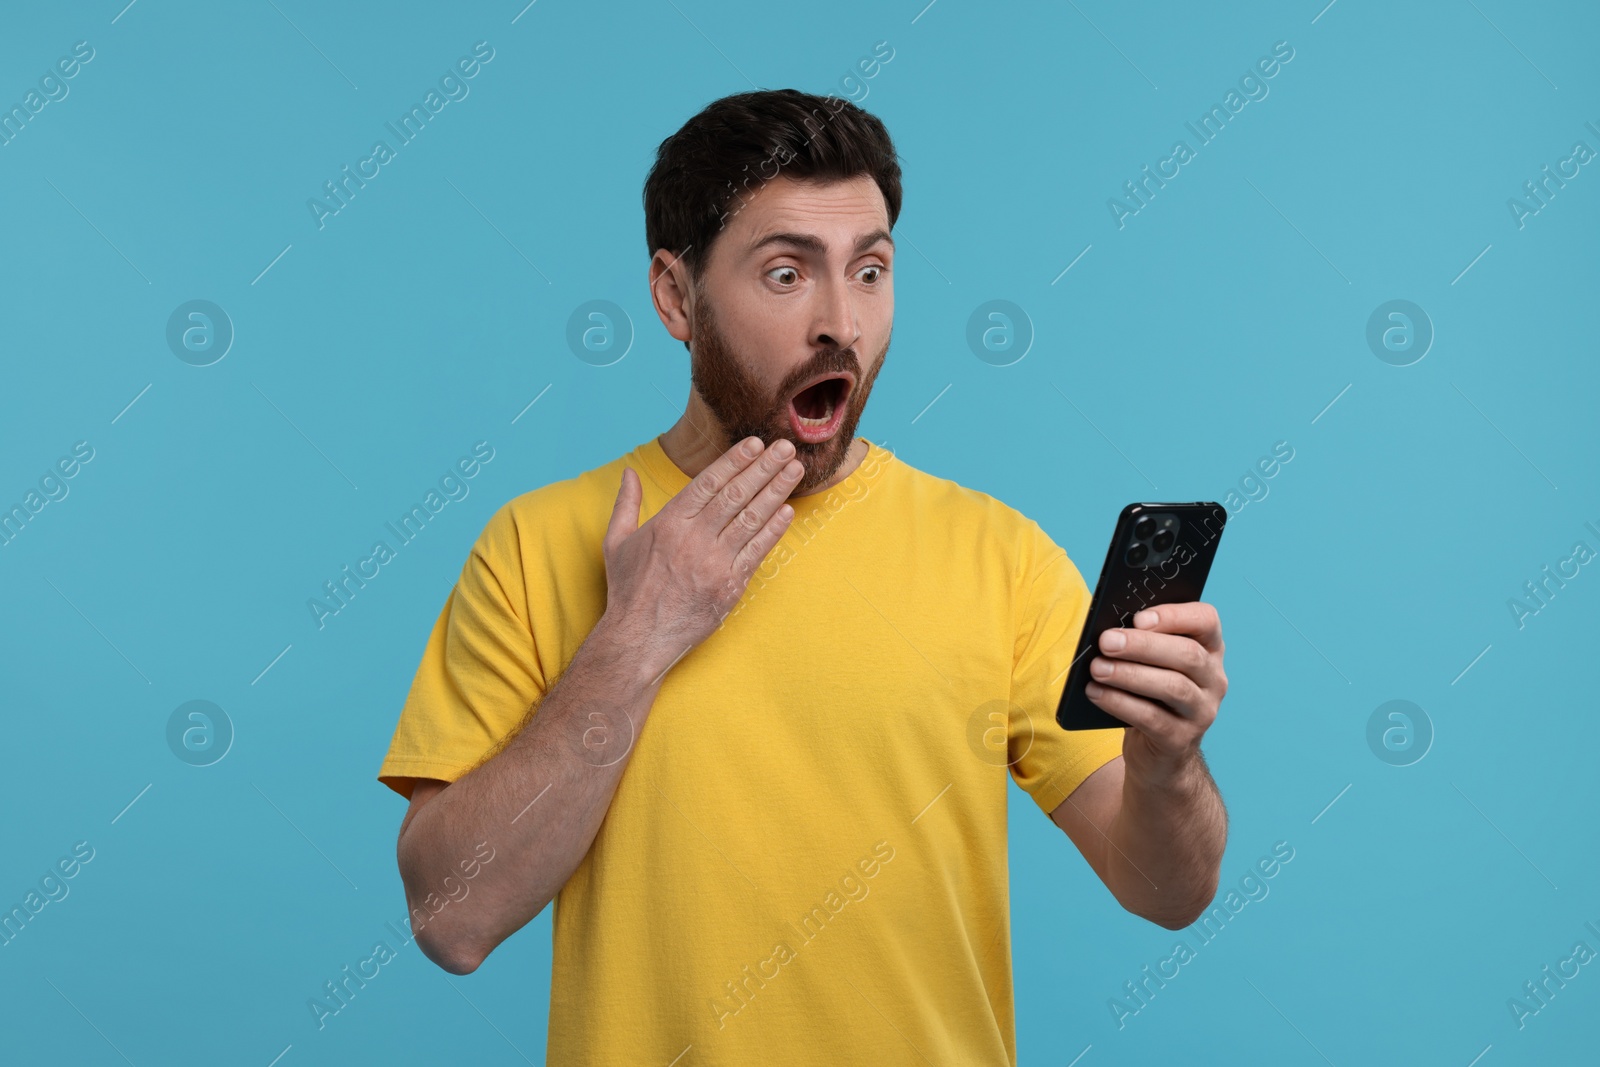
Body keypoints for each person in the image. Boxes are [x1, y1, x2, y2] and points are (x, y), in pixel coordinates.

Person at [377, 87, 1229, 1065]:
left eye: (869, 271)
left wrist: (1169, 767)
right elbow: (451, 917)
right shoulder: (536, 543)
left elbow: (1167, 892)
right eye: (786, 273)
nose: (841, 322)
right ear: (674, 297)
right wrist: (636, 637)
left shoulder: (997, 555)